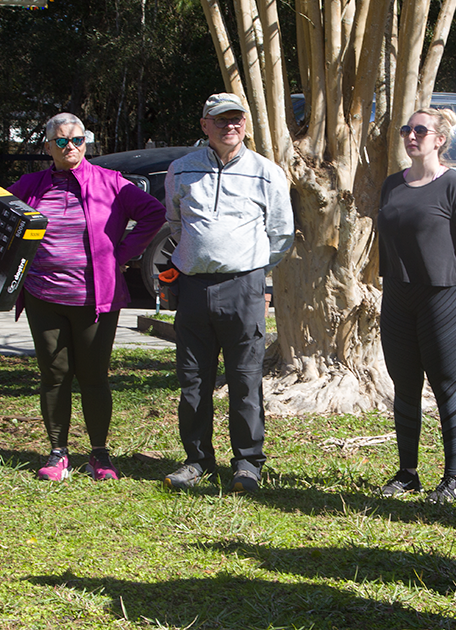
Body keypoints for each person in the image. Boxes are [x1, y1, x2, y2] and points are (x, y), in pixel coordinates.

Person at [8, 113, 166, 482]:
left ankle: (99, 453)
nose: (71, 148)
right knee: (54, 374)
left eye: (77, 140)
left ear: (86, 142)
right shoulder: (30, 185)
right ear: (48, 146)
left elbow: (153, 213)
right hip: (42, 295)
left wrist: (120, 254)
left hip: (95, 298)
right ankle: (57, 452)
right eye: (61, 142)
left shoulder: (110, 182)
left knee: (93, 376)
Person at [162, 93, 294, 494]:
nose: (229, 126)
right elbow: (175, 223)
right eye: (220, 120)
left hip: (244, 288)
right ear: (205, 125)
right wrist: (198, 257)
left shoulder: (267, 173)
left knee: (245, 379)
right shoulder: (181, 171)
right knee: (193, 381)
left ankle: (248, 463)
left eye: (236, 119)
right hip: (192, 288)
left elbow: (281, 232)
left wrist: (251, 268)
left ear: (246, 125)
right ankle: (197, 460)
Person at [376, 108, 456, 504]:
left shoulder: (453, 185)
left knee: (444, 384)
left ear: (439, 139)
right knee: (404, 385)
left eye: (420, 130)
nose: (411, 135)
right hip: (398, 296)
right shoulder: (392, 185)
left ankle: (453, 477)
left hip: (443, 296)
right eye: (407, 129)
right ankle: (408, 473)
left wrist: (455, 273)